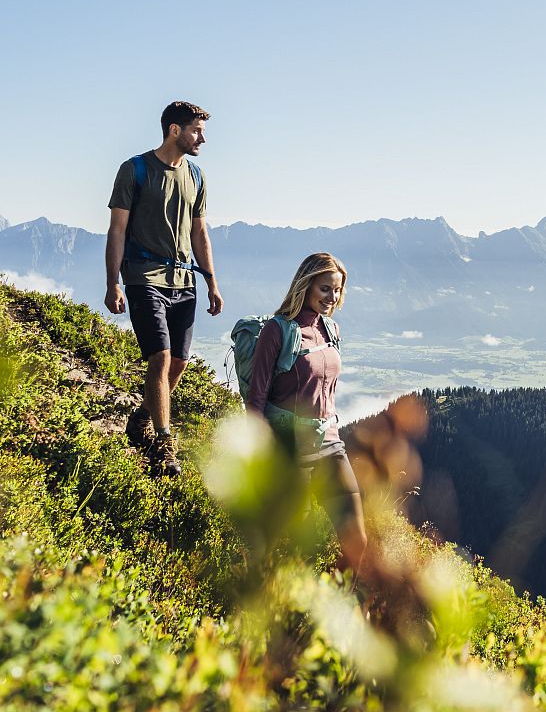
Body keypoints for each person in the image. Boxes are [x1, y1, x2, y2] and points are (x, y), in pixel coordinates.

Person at [105, 101, 224, 476]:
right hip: (144, 278)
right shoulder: (135, 170)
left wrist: (211, 282)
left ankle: (141, 417)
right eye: (196, 131)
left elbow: (200, 233)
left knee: (178, 365)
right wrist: (113, 283)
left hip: (184, 281)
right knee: (159, 359)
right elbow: (117, 230)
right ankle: (164, 443)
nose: (202, 138)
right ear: (175, 130)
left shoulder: (197, 176)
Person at [246, 252, 367, 579]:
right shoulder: (278, 330)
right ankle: (273, 612)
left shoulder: (331, 329)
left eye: (338, 290)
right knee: (289, 546)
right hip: (290, 449)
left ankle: (331, 613)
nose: (332, 297)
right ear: (306, 284)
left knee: (357, 540)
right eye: (325, 288)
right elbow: (256, 399)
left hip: (329, 444)